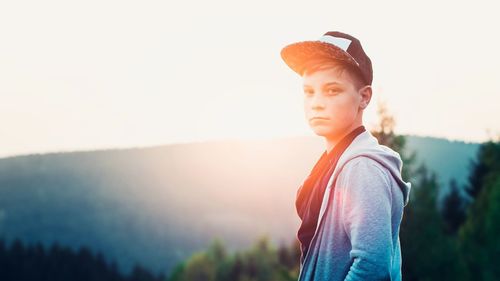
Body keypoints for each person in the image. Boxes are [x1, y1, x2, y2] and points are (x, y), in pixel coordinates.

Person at [280, 31, 412, 281]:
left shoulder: (363, 168)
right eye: (309, 91)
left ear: (364, 97)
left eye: (332, 90)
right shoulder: (333, 163)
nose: (316, 103)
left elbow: (372, 267)